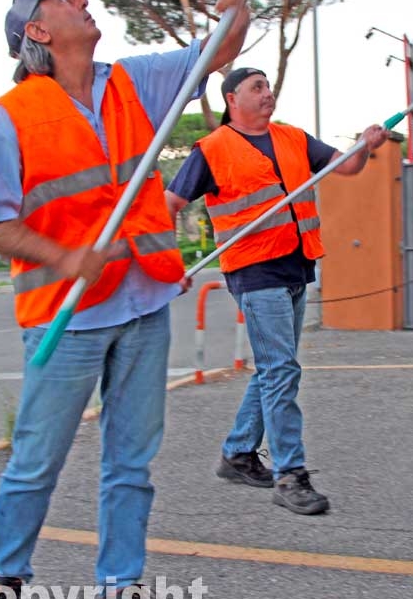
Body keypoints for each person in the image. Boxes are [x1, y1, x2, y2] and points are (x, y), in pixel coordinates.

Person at [0, 0, 249, 599]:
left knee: (131, 463)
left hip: (144, 304)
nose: (81, 2)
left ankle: (122, 591)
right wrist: (65, 258)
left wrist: (237, 11)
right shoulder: (13, 117)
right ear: (38, 31)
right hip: (69, 318)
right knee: (36, 463)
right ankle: (4, 589)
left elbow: (219, 51)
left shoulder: (130, 83)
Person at [165, 68, 387, 516]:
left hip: (296, 265)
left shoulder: (293, 138)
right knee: (280, 370)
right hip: (254, 271)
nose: (268, 93)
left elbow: (347, 166)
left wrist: (365, 145)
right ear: (232, 99)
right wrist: (167, 263)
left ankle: (238, 454)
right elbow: (168, 204)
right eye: (257, 87)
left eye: (268, 86)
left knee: (274, 369)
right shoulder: (212, 149)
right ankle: (290, 476)